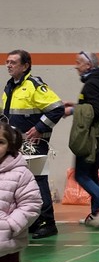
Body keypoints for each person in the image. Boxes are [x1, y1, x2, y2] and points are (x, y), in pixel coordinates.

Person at [2, 49, 65, 239]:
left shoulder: (34, 85)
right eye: (7, 62)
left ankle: (47, 222)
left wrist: (38, 128)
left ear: (25, 66)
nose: (9, 65)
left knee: (38, 181)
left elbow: (57, 109)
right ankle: (34, 222)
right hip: (15, 144)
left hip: (33, 143)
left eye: (13, 62)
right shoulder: (10, 86)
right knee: (22, 183)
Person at [63, 51, 99, 227]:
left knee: (81, 174)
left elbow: (94, 110)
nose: (75, 66)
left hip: (91, 137)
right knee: (92, 174)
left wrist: (71, 111)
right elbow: (95, 106)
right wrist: (78, 105)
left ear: (88, 65)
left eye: (79, 63)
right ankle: (97, 215)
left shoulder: (91, 85)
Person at [0, 122, 42, 262]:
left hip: (4, 246)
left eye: (0, 142)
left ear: (10, 145)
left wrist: (10, 226)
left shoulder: (20, 173)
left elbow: (32, 203)